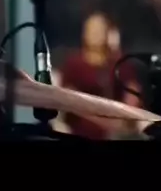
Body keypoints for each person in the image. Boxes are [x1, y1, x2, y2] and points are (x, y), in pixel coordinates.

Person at [55, 12, 142, 140]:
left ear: (108, 33)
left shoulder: (119, 64)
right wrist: (107, 124)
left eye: (100, 29)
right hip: (85, 129)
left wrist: (126, 118)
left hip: (121, 127)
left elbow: (133, 92)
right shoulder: (73, 64)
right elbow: (72, 102)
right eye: (91, 29)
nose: (95, 34)